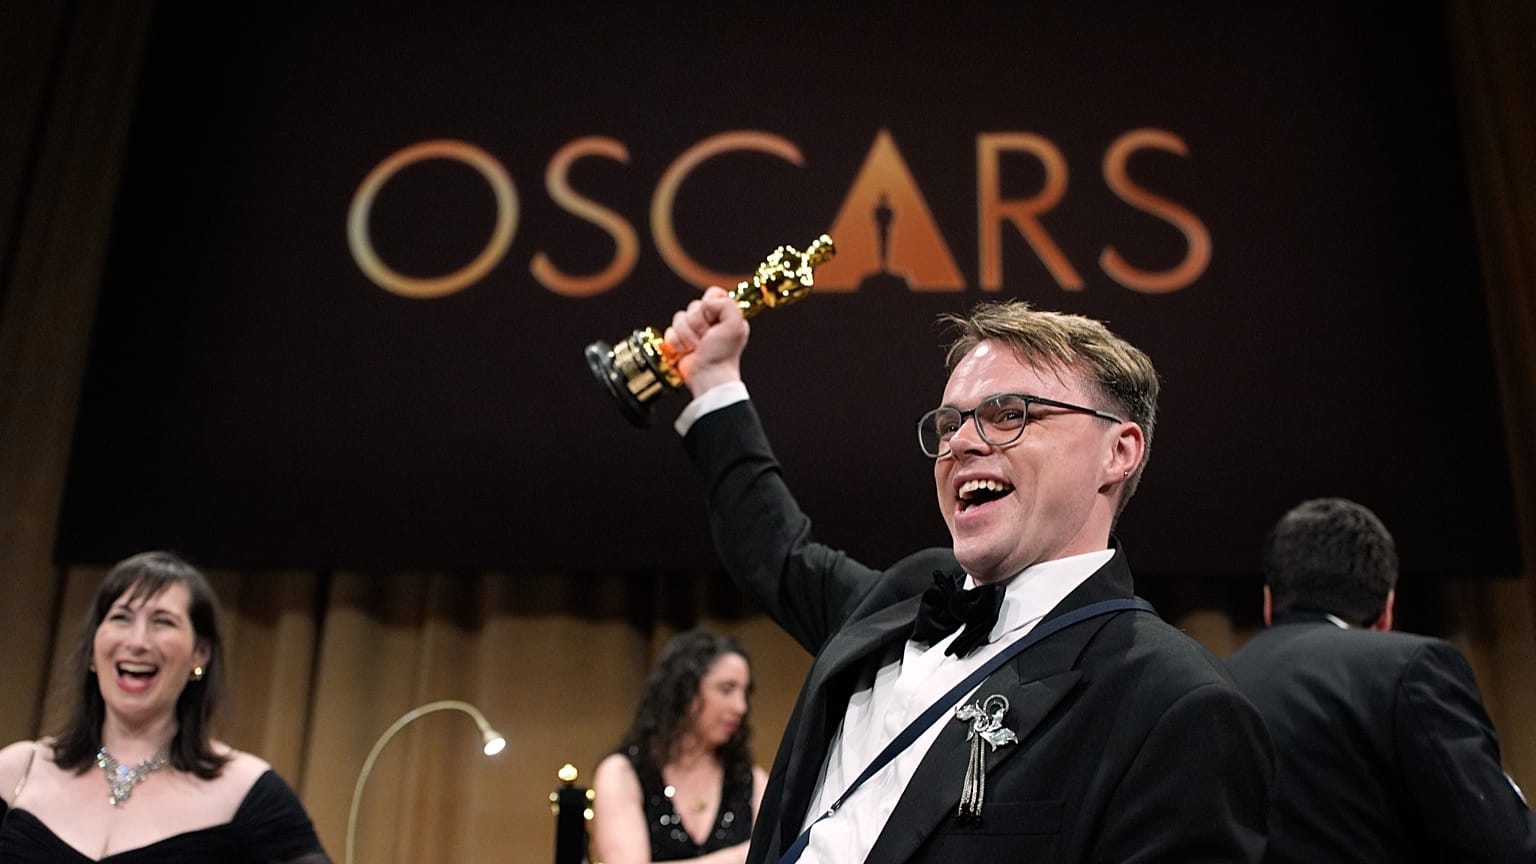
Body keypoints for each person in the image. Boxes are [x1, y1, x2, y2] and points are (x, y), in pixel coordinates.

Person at [658, 290, 1272, 863]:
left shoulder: (1177, 704)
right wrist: (714, 382)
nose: (963, 444)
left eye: (1009, 415)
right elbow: (774, 550)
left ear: (1119, 452)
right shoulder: (904, 596)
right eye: (951, 423)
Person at [1225, 497, 1536, 863]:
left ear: (1267, 602)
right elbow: (1502, 845)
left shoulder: (1213, 682)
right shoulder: (1410, 667)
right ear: (1387, 610)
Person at [0, 550, 330, 863]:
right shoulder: (17, 772)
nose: (137, 642)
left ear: (200, 655)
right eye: (121, 618)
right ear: (92, 650)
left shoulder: (246, 791)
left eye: (162, 622)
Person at [592, 629, 768, 864]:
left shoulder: (751, 780)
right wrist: (739, 857)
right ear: (685, 691)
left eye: (744, 693)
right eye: (726, 689)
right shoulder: (622, 773)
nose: (740, 707)